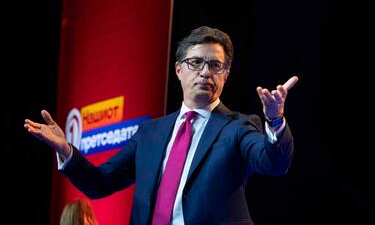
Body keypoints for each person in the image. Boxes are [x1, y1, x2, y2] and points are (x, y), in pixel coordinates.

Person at [24, 26, 298, 225]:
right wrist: (67, 151)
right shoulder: (150, 133)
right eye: (196, 62)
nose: (205, 72)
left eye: (215, 65)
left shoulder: (237, 126)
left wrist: (274, 121)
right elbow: (100, 183)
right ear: (179, 69)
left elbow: (273, 163)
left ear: (225, 75)